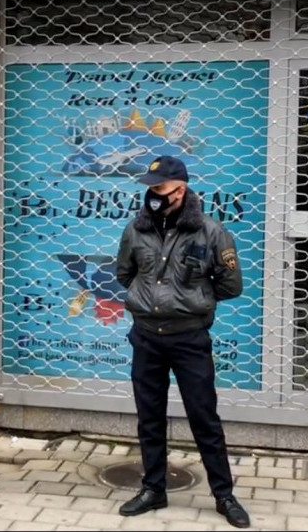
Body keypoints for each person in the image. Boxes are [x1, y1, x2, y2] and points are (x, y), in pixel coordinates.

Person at [115, 155, 250, 528]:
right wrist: (148, 301)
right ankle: (153, 489)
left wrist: (192, 300)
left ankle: (224, 496)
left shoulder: (211, 232)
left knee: (204, 418)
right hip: (146, 337)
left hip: (189, 339)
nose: (153, 194)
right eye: (150, 188)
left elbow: (231, 285)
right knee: (149, 417)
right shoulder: (136, 230)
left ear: (180, 190)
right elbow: (125, 273)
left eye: (160, 188)